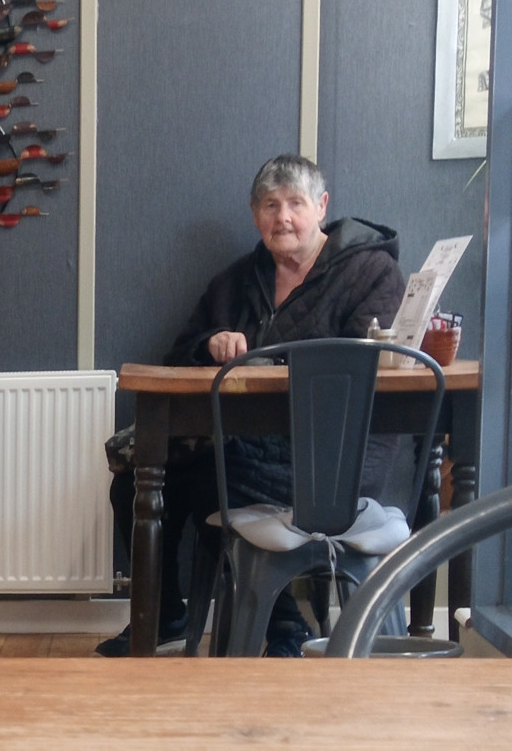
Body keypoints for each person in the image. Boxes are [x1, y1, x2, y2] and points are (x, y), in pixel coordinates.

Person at [96, 154, 405, 657]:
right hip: (243, 448)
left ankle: (284, 622)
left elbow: (360, 366)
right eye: (270, 205)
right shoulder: (236, 280)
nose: (282, 217)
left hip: (334, 461)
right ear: (255, 213)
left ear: (322, 207)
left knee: (209, 478)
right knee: (134, 482)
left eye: (296, 204)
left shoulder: (372, 273)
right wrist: (211, 344)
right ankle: (166, 614)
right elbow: (180, 353)